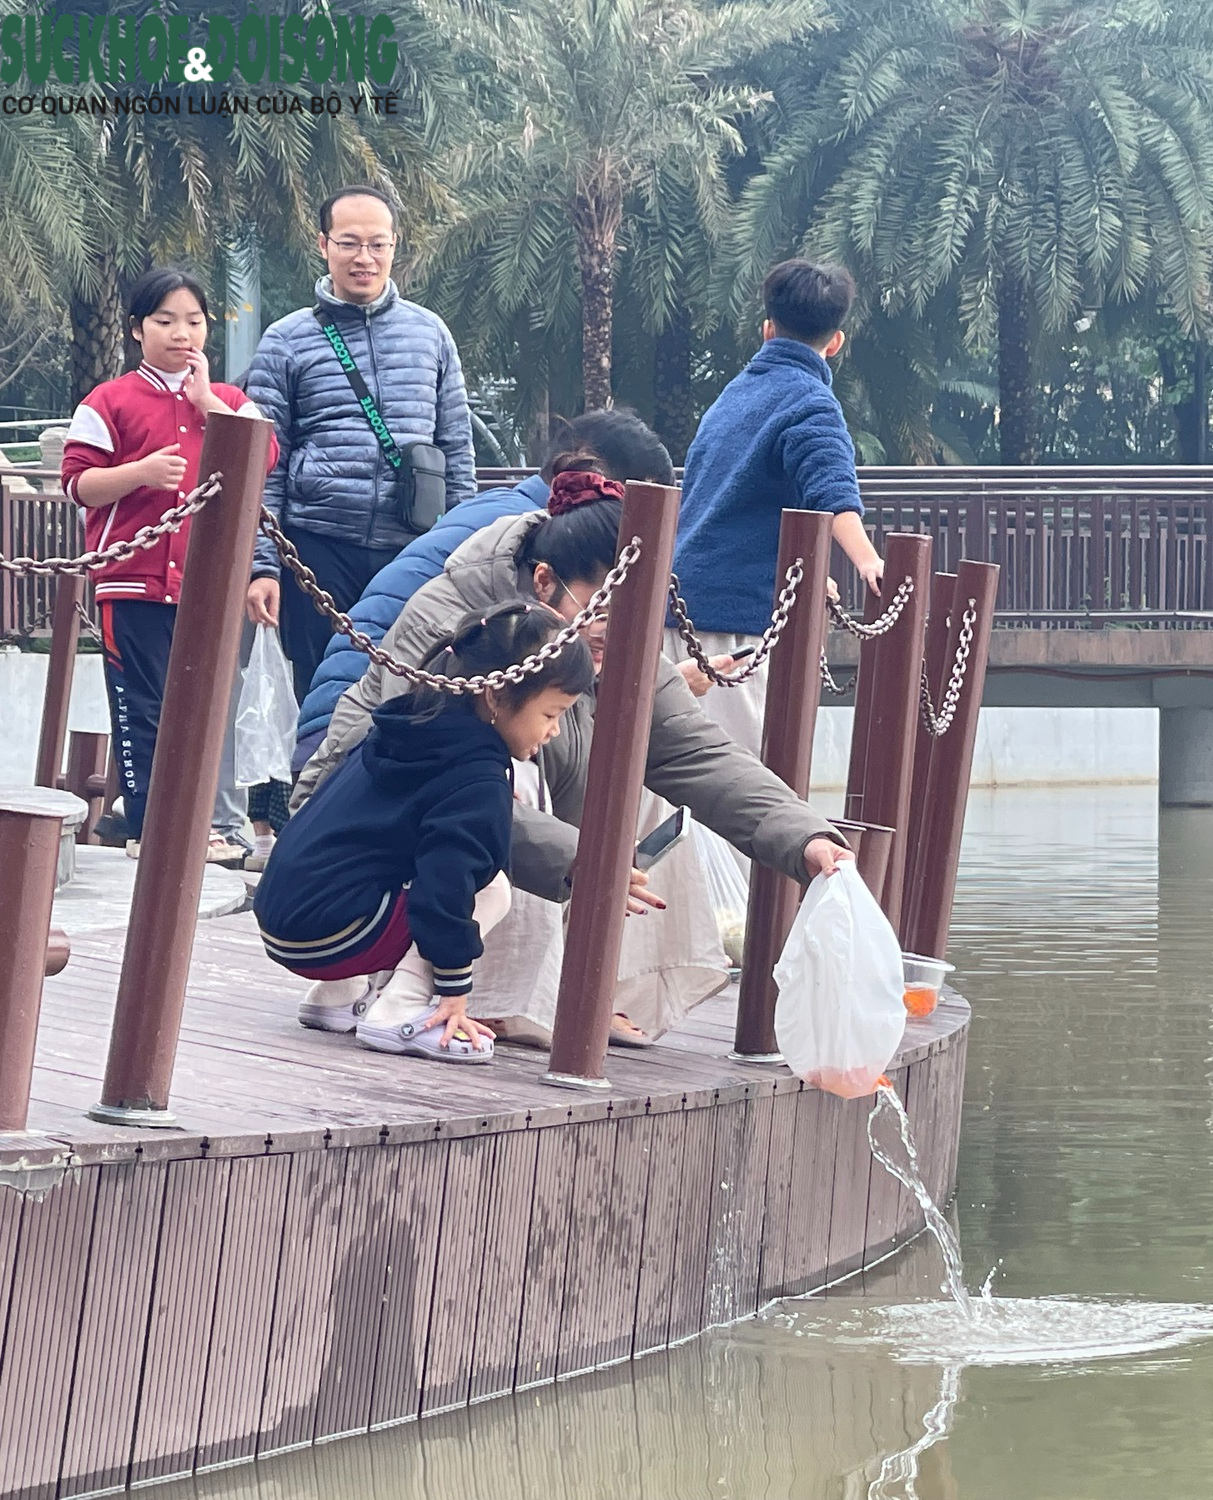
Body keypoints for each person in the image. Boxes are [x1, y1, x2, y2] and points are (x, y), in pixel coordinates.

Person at [291, 462, 851, 1035]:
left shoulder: (616, 640)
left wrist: (804, 838)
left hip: (402, 863)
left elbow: (697, 756)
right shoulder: (461, 619)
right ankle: (465, 997)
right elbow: (425, 787)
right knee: (505, 785)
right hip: (361, 852)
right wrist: (584, 860)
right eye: (602, 608)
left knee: (641, 791)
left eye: (636, 612)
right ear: (542, 583)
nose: (615, 629)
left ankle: (569, 990)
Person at [256, 604, 593, 1063]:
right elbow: (448, 886)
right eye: (551, 713)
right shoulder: (476, 775)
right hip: (337, 934)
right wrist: (452, 992)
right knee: (491, 888)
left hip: (283, 920)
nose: (553, 731)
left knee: (383, 858)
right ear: (495, 696)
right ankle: (402, 1009)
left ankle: (334, 998)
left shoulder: (407, 722)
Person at [292, 409, 690, 777]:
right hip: (351, 730)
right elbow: (427, 748)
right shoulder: (520, 544)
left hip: (353, 701)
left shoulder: (518, 524)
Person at [59, 267, 277, 863]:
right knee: (141, 704)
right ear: (136, 330)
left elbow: (266, 456)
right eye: (165, 320)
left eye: (194, 321)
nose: (182, 333)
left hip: (204, 589)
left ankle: (186, 824)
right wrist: (141, 474)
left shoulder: (230, 401)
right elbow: (78, 484)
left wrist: (208, 403)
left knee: (198, 705)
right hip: (130, 584)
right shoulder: (107, 401)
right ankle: (150, 825)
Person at [243, 184, 475, 699]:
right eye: (349, 243)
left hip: (412, 548)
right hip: (315, 547)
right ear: (323, 245)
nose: (364, 258)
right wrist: (263, 566)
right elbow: (264, 468)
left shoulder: (431, 334)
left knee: (409, 691)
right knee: (320, 691)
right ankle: (315, 781)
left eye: (377, 244)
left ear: (396, 245)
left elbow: (456, 452)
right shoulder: (285, 340)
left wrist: (461, 555)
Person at [669, 259, 885, 755]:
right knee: (738, 780)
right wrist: (868, 562)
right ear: (835, 344)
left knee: (673, 776)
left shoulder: (733, 394)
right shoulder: (811, 401)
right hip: (738, 621)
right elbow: (833, 494)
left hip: (678, 604)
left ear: (767, 330)